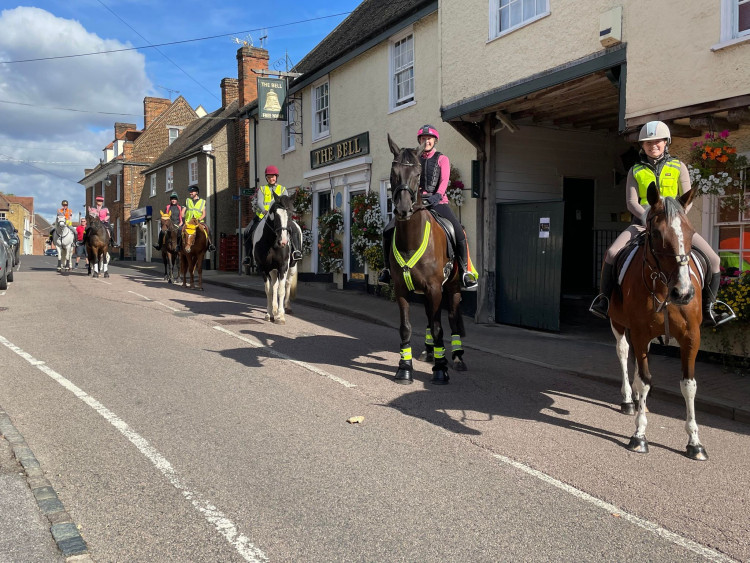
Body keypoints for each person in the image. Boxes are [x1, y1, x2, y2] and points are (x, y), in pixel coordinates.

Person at [589, 120, 735, 327]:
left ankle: (710, 308)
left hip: (674, 226)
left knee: (713, 259)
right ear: (642, 146)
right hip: (641, 223)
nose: (653, 145)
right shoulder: (635, 170)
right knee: (612, 253)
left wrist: (674, 220)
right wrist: (649, 219)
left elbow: (687, 198)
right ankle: (604, 301)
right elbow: (631, 202)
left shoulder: (678, 166)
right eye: (648, 142)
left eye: (657, 141)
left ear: (666, 142)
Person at [378, 125, 478, 290]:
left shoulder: (442, 159)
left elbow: (444, 180)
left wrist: (437, 196)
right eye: (423, 139)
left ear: (434, 140)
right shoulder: (415, 159)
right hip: (416, 203)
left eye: (429, 139)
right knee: (388, 230)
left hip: (437, 201)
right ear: (420, 141)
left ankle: (465, 272)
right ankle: (387, 269)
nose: (426, 141)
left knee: (458, 231)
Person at [245, 165, 303, 263]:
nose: (271, 178)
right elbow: (259, 202)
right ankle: (248, 256)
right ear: (266, 178)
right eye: (269, 177)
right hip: (263, 216)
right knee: (247, 231)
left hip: (279, 216)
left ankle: (296, 251)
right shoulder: (262, 189)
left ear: (276, 177)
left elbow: (286, 202)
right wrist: (264, 210)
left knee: (294, 228)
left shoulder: (282, 189)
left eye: (273, 176)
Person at [183, 185, 216, 252]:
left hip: (199, 222)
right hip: (189, 222)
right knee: (179, 230)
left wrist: (199, 220)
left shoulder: (202, 202)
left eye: (192, 192)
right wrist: (184, 218)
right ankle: (178, 246)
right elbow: (182, 212)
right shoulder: (187, 200)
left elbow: (204, 214)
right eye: (190, 192)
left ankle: (210, 245)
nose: (190, 193)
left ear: (197, 192)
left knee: (209, 229)